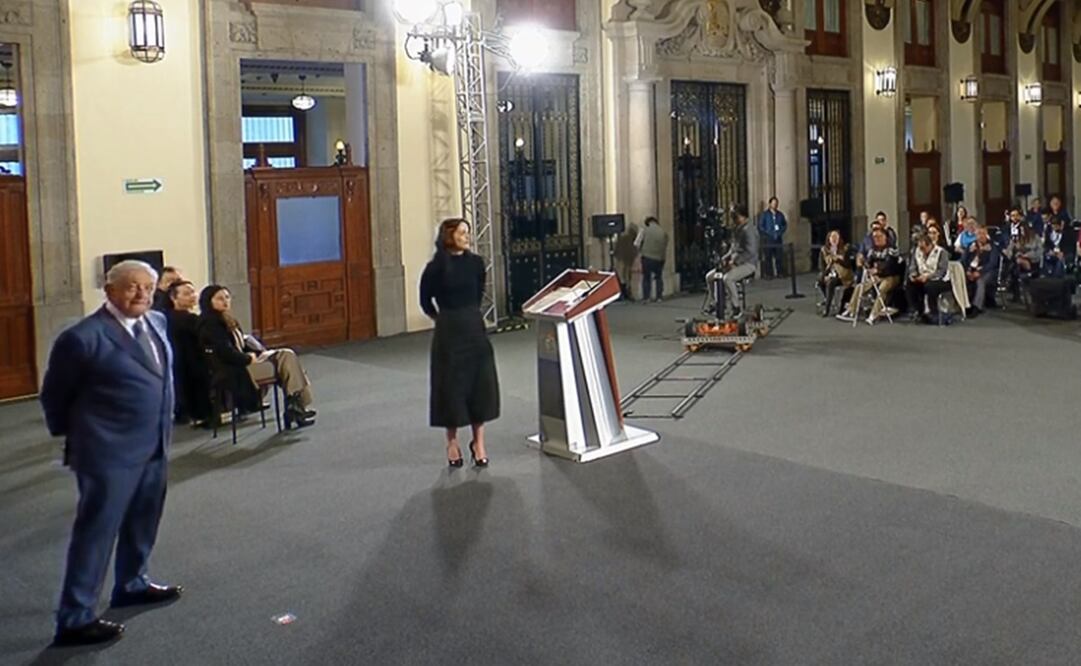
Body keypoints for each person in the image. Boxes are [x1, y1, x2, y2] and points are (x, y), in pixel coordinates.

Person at [40, 260, 182, 647]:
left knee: (143, 522)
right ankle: (75, 617)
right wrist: (81, 438)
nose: (141, 294)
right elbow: (55, 396)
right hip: (106, 454)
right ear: (110, 289)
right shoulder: (82, 338)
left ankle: (132, 583)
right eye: (132, 287)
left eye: (148, 288)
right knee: (96, 534)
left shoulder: (157, 322)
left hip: (154, 445)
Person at [420, 218, 500, 468]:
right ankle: (452, 442)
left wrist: (467, 316)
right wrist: (444, 319)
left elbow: (477, 294)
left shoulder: (476, 263)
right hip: (449, 332)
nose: (467, 237)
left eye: (468, 232)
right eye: (462, 233)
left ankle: (479, 442)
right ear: (449, 235)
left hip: (474, 329)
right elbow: (425, 301)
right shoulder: (435, 268)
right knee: (451, 387)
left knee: (480, 385)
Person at [198, 285, 316, 429]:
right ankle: (296, 407)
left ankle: (295, 406)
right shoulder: (210, 324)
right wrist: (248, 358)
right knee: (287, 363)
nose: (225, 301)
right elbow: (225, 353)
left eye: (227, 297)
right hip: (237, 369)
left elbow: (240, 343)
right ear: (208, 301)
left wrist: (255, 353)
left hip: (245, 362)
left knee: (287, 357)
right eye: (220, 299)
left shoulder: (227, 319)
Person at [165, 280, 212, 425]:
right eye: (186, 294)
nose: (192, 296)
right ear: (174, 298)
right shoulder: (188, 319)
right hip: (189, 360)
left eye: (193, 292)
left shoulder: (170, 317)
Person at [838, 227, 902, 324]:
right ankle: (851, 310)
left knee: (882, 288)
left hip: (891, 276)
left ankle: (873, 315)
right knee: (860, 286)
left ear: (885, 237)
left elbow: (891, 266)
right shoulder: (872, 250)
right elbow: (869, 263)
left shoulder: (892, 249)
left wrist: (878, 271)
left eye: (879, 236)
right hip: (877, 276)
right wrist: (863, 263)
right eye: (874, 237)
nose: (877, 239)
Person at [716, 206, 759, 317]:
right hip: (735, 260)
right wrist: (726, 257)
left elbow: (751, 251)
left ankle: (736, 307)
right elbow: (734, 247)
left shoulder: (749, 230)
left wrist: (736, 263)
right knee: (711, 277)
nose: (733, 219)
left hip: (748, 263)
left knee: (728, 278)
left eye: (735, 216)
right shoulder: (737, 229)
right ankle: (715, 303)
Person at [905, 233, 951, 323]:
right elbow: (913, 266)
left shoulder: (941, 252)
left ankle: (933, 312)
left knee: (930, 286)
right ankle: (917, 310)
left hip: (940, 280)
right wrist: (913, 274)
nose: (921, 251)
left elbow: (941, 271)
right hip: (922, 277)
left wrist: (928, 276)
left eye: (923, 248)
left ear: (930, 245)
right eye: (920, 248)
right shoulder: (917, 251)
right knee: (910, 284)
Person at [961, 225, 1000, 316]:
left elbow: (992, 263)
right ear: (975, 235)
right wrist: (967, 271)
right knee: (961, 279)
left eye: (983, 233)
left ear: (986, 234)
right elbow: (963, 260)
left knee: (980, 281)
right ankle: (965, 304)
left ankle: (977, 307)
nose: (981, 236)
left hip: (988, 271)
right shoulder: (971, 245)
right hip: (971, 270)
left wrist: (980, 272)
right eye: (978, 233)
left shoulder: (992, 246)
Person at [817, 230, 855, 317]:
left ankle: (827, 308)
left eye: (836, 237)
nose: (834, 239)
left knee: (831, 282)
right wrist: (825, 274)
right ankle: (829, 299)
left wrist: (838, 260)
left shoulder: (845, 248)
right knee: (820, 280)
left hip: (843, 275)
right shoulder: (824, 250)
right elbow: (822, 266)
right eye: (832, 237)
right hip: (830, 273)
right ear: (828, 239)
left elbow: (848, 265)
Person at [634, 216, 668, 302]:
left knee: (646, 277)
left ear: (647, 222)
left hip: (647, 257)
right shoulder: (662, 231)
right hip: (660, 257)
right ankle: (659, 297)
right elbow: (665, 243)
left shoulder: (644, 229)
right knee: (659, 277)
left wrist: (641, 251)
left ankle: (646, 297)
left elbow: (637, 243)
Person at [757, 197, 787, 279]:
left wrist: (780, 232)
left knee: (779, 257)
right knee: (768, 257)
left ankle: (780, 272)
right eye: (773, 203)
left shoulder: (780, 214)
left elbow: (784, 224)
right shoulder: (764, 215)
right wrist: (768, 233)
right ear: (770, 204)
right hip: (768, 239)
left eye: (776, 203)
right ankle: (769, 274)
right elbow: (760, 226)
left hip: (778, 239)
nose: (775, 205)